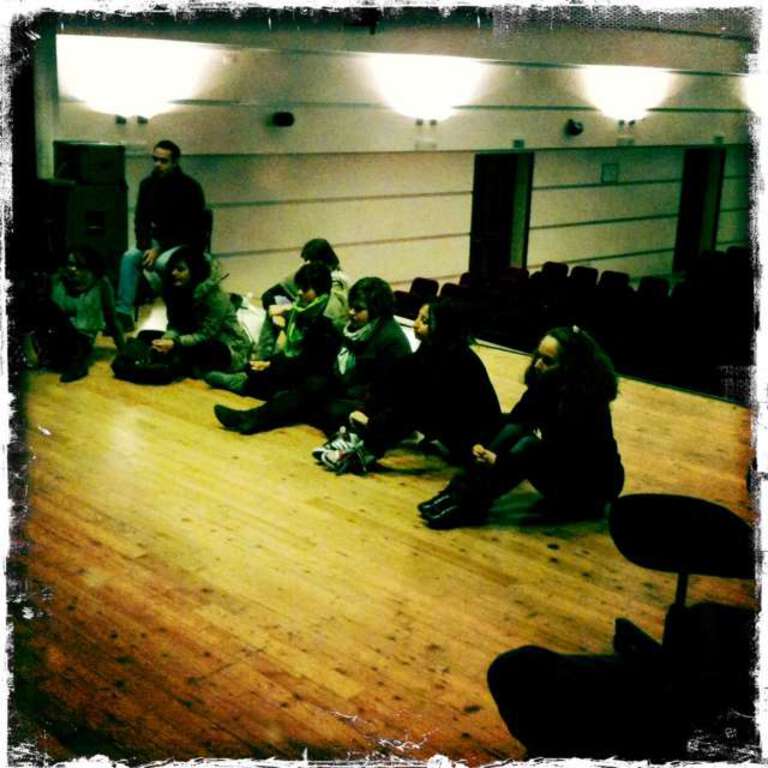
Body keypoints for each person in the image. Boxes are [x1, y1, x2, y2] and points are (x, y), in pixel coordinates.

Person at [418, 325, 624, 529]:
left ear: (570, 367)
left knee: (528, 447)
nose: (537, 365)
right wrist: (482, 444)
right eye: (538, 357)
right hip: (562, 467)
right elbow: (516, 421)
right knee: (511, 429)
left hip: (589, 487)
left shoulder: (587, 403)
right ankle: (457, 492)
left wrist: (501, 463)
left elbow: (565, 455)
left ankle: (470, 506)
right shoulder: (547, 383)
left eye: (547, 361)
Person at [313, 299, 501, 475]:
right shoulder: (431, 348)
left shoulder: (460, 361)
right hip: (446, 420)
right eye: (418, 317)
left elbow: (421, 405)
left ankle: (364, 452)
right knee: (399, 374)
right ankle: (356, 438)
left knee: (412, 407)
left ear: (444, 328)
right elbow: (397, 382)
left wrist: (374, 424)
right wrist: (366, 411)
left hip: (473, 438)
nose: (415, 324)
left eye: (425, 321)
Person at [209, 277, 410, 435]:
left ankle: (254, 414)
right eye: (351, 306)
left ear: (376, 310)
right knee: (307, 388)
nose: (350, 312)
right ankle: (250, 418)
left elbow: (386, 391)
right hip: (345, 388)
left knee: (314, 403)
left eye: (358, 309)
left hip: (367, 404)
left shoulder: (391, 341)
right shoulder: (356, 328)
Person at [212, 261, 342, 430]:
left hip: (321, 374)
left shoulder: (329, 320)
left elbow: (309, 362)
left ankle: (249, 417)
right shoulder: (305, 308)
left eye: (305, 289)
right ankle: (243, 381)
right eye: (299, 287)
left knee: (303, 390)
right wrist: (271, 363)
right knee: (262, 370)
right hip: (303, 365)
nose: (299, 292)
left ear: (320, 290)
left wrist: (272, 364)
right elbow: (270, 295)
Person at [115, 140, 206, 331]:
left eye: (163, 161)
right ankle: (123, 314)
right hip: (157, 242)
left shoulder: (190, 187)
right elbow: (140, 220)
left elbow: (190, 228)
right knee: (129, 258)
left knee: (164, 264)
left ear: (175, 162)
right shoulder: (147, 184)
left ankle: (177, 318)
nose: (157, 164)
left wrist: (159, 249)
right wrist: (146, 246)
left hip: (184, 243)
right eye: (155, 159)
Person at [25, 246, 124, 382]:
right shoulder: (57, 281)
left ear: (90, 268)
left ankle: (78, 365)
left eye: (79, 266)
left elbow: (112, 319)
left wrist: (123, 349)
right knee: (40, 303)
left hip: (81, 343)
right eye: (70, 264)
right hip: (53, 341)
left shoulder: (101, 283)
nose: (72, 269)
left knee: (49, 309)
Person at [149, 245, 252, 376]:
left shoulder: (215, 296)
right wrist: (167, 339)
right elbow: (175, 325)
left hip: (227, 348)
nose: (173, 273)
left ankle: (181, 364)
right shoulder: (178, 291)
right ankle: (176, 362)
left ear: (195, 271)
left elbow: (206, 334)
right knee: (147, 336)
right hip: (191, 340)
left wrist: (175, 343)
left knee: (206, 349)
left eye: (180, 269)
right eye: (172, 269)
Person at [256, 238, 350, 359]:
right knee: (274, 311)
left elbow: (332, 313)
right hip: (304, 319)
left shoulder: (339, 280)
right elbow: (269, 294)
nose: (306, 264)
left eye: (310, 260)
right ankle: (261, 359)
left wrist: (288, 309)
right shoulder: (306, 272)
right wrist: (274, 310)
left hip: (323, 329)